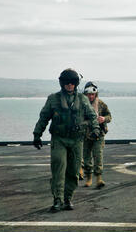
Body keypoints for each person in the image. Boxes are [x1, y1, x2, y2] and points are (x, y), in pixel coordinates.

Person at [33, 69, 100, 212]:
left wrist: (95, 130)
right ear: (62, 83)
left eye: (72, 83)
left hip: (76, 140)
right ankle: (57, 199)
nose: (69, 85)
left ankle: (68, 198)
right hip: (59, 140)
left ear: (76, 84)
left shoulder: (82, 100)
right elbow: (44, 118)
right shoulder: (53, 99)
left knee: (74, 171)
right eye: (67, 83)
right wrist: (37, 134)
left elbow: (92, 116)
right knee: (58, 169)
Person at [82, 81, 112, 189]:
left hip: (99, 134)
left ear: (95, 94)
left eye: (92, 94)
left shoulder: (101, 104)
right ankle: (89, 177)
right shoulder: (81, 105)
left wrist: (104, 119)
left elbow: (109, 116)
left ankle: (99, 178)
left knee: (98, 156)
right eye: (88, 94)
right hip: (85, 135)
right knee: (86, 158)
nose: (90, 96)